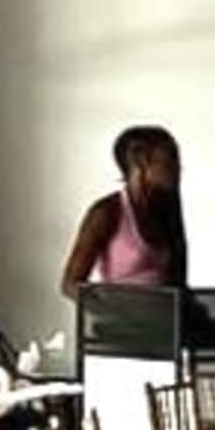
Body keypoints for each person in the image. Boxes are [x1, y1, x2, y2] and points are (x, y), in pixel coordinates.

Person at [61, 123, 189, 301]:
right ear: (142, 162)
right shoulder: (106, 212)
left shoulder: (166, 212)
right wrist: (111, 306)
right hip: (120, 316)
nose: (179, 168)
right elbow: (70, 284)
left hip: (165, 317)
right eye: (171, 160)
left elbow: (178, 285)